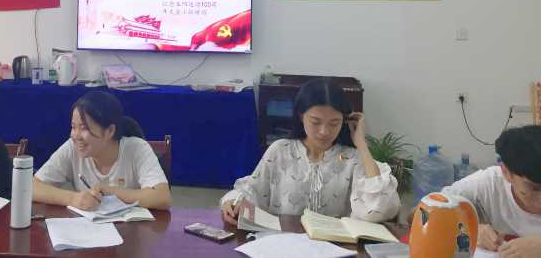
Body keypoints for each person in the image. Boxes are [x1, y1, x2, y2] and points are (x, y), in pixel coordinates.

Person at [220, 78, 400, 225]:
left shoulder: (351, 158)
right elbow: (253, 189)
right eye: (315, 122)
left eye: (334, 123)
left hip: (335, 247)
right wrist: (234, 201)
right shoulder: (280, 150)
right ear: (301, 116)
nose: (324, 131)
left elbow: (379, 210)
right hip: (283, 243)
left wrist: (361, 143)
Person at [33, 90, 171, 211]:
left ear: (110, 131)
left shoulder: (137, 149)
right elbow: (32, 187)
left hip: (132, 229)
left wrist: (110, 191)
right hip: (88, 229)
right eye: (73, 127)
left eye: (84, 128)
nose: (75, 136)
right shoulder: (72, 148)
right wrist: (73, 198)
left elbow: (162, 197)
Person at [440, 125, 541, 257]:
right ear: (506, 172)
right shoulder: (488, 184)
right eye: (535, 188)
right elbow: (425, 212)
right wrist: (469, 229)